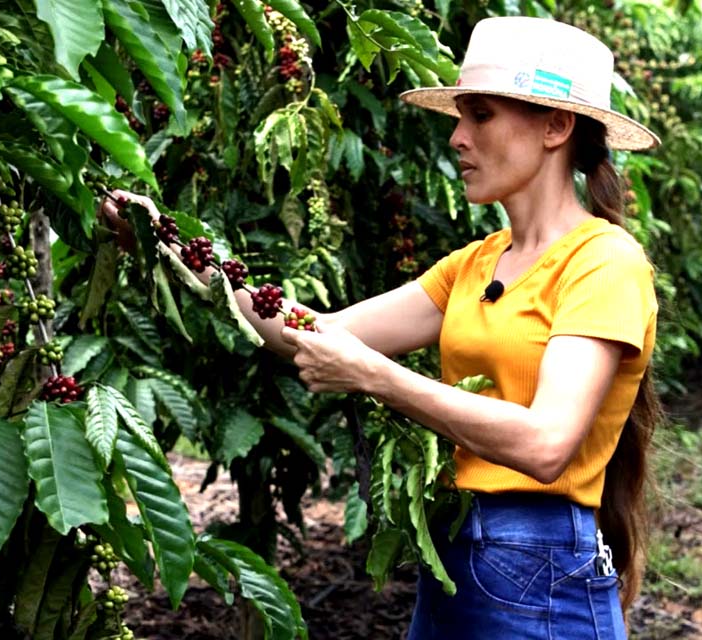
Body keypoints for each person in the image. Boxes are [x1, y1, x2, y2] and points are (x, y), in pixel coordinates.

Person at [101, 16, 661, 639]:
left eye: (480, 116)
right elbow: (310, 333)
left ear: (556, 126)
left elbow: (545, 444)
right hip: (456, 553)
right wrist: (173, 250)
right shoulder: (475, 264)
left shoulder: (604, 263)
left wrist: (374, 376)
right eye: (460, 118)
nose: (457, 138)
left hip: (539, 569)